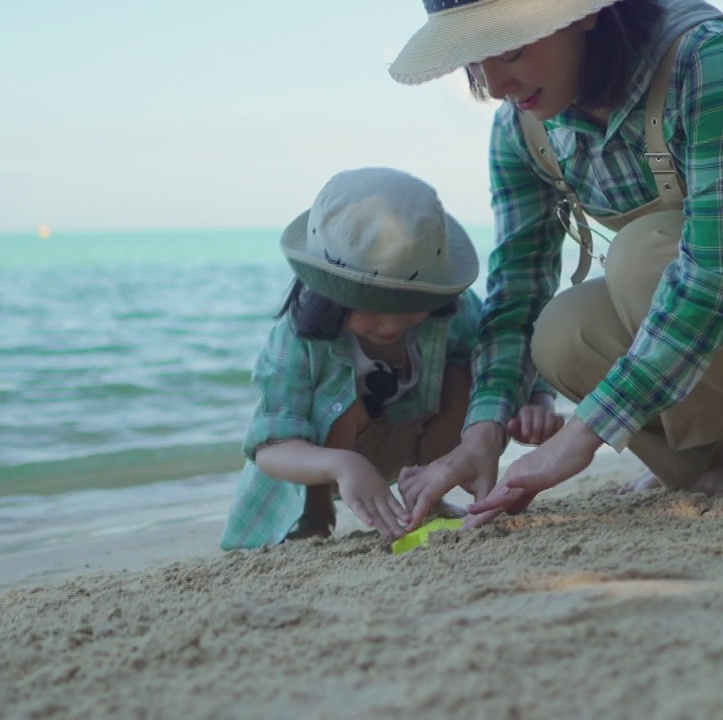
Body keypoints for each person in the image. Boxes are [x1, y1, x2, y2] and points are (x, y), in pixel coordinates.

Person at [388, 0, 723, 530]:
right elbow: (517, 293)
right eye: (473, 64)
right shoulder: (521, 129)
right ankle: (712, 460)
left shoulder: (707, 56)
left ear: (585, 12)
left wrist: (581, 435)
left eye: (507, 51)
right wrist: (482, 434)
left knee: (645, 250)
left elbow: (718, 275)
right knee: (560, 333)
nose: (496, 87)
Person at [220, 167, 563, 549]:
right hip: (321, 462)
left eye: (409, 303)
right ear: (326, 290)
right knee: (345, 401)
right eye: (373, 304)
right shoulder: (299, 337)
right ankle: (316, 512)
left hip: (406, 442)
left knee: (466, 373)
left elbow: (502, 350)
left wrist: (536, 398)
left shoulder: (449, 312)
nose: (391, 322)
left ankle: (427, 490)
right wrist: (342, 464)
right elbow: (270, 449)